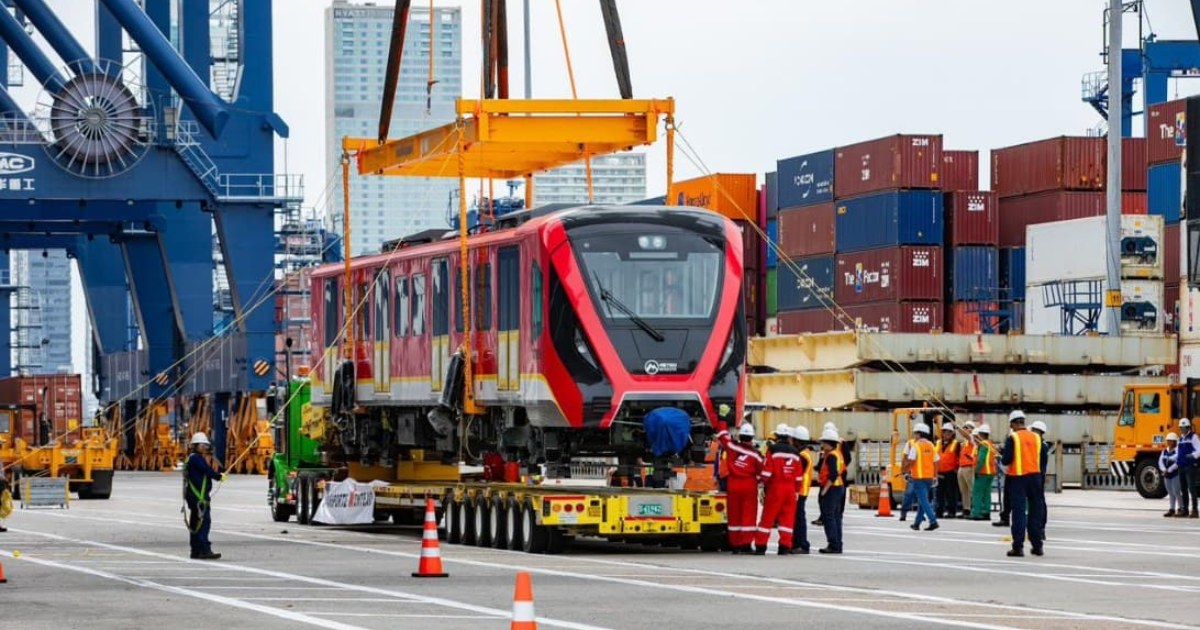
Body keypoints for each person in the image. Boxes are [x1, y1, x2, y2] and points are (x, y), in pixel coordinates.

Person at [716, 421, 763, 554]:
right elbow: (763, 472)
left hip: (733, 484)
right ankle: (746, 545)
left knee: (734, 515)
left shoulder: (731, 446)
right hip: (749, 485)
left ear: (740, 435)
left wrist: (722, 419)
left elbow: (722, 434)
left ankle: (735, 545)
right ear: (752, 437)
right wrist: (759, 482)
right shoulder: (756, 455)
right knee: (748, 515)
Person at [1001, 410, 1044, 557]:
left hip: (1018, 478)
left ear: (1013, 423)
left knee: (1019, 513)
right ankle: (1037, 545)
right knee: (1035, 512)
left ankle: (1018, 547)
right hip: (1035, 477)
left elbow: (1006, 460)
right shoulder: (1036, 437)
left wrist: (1002, 454)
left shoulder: (1013, 437)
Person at [755, 427, 803, 555]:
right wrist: (796, 490)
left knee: (767, 518)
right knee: (787, 519)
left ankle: (761, 546)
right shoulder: (795, 452)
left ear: (777, 436)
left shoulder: (773, 450)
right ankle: (784, 547)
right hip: (790, 490)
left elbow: (767, 471)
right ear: (788, 437)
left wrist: (761, 484)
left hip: (776, 488)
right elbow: (799, 476)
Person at [184, 432, 225, 560]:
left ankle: (195, 551)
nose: (204, 447)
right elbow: (207, 470)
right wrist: (218, 476)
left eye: (205, 445)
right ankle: (204, 550)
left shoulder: (191, 458)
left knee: (196, 523)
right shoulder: (196, 458)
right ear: (194, 446)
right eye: (201, 445)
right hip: (199, 498)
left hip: (193, 496)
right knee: (203, 522)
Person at [904, 422, 939, 532]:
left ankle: (933, 521)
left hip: (918, 477)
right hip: (929, 478)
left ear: (919, 434)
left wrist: (905, 471)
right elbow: (936, 461)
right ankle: (917, 523)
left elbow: (911, 460)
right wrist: (935, 476)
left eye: (915, 433)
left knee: (923, 501)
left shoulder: (916, 446)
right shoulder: (931, 445)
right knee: (922, 501)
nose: (914, 436)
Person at [817, 428, 845, 554]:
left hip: (832, 488)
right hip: (839, 487)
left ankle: (833, 544)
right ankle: (837, 544)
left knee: (829, 517)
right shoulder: (837, 454)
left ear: (829, 443)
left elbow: (833, 474)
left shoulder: (831, 456)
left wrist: (825, 490)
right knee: (836, 517)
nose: (822, 445)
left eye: (823, 442)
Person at [790, 426, 814, 554]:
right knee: (798, 517)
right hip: (801, 490)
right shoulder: (805, 453)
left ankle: (802, 544)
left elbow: (796, 473)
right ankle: (798, 543)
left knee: (799, 518)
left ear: (797, 441)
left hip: (800, 491)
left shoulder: (802, 456)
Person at [970, 425, 996, 520]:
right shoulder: (990, 444)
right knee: (986, 493)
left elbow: (981, 460)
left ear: (980, 434)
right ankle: (986, 512)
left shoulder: (983, 444)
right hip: (990, 473)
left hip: (983, 472)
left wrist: (976, 471)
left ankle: (976, 513)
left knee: (977, 493)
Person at [1029, 420, 1050, 536]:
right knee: (1039, 501)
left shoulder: (1041, 446)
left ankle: (1040, 528)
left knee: (1038, 502)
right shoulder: (1043, 445)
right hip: (1038, 476)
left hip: (1036, 476)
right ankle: (1039, 528)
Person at [935, 422, 960, 519]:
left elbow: (959, 457)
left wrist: (956, 469)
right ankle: (939, 511)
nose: (947, 434)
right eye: (945, 432)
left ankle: (951, 512)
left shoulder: (956, 444)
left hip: (951, 472)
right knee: (939, 493)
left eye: (949, 432)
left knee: (951, 493)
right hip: (940, 472)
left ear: (952, 434)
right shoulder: (937, 443)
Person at [1180, 418, 1200, 519]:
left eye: (1184, 428)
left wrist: (1192, 455)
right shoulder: (1181, 438)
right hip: (1181, 467)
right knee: (1183, 489)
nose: (1183, 429)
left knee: (1192, 488)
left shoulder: (1193, 437)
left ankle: (1195, 510)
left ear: (1188, 427)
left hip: (1190, 467)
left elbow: (1199, 450)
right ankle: (1185, 510)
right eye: (1181, 428)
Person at [957, 421, 977, 518]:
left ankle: (975, 508)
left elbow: (966, 435)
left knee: (972, 489)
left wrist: (957, 427)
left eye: (967, 427)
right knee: (964, 490)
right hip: (962, 467)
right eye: (964, 427)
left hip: (969, 467)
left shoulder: (973, 439)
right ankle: (966, 509)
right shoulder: (964, 443)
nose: (965, 429)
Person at [1160, 432, 1182, 517]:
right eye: (1168, 441)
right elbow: (1160, 461)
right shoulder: (1164, 451)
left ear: (1175, 442)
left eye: (1171, 441)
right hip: (1167, 475)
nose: (1169, 442)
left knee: (1176, 491)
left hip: (1175, 474)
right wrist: (1164, 469)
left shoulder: (1178, 451)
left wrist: (1169, 470)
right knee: (1170, 492)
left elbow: (1178, 462)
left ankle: (1181, 508)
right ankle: (1172, 509)